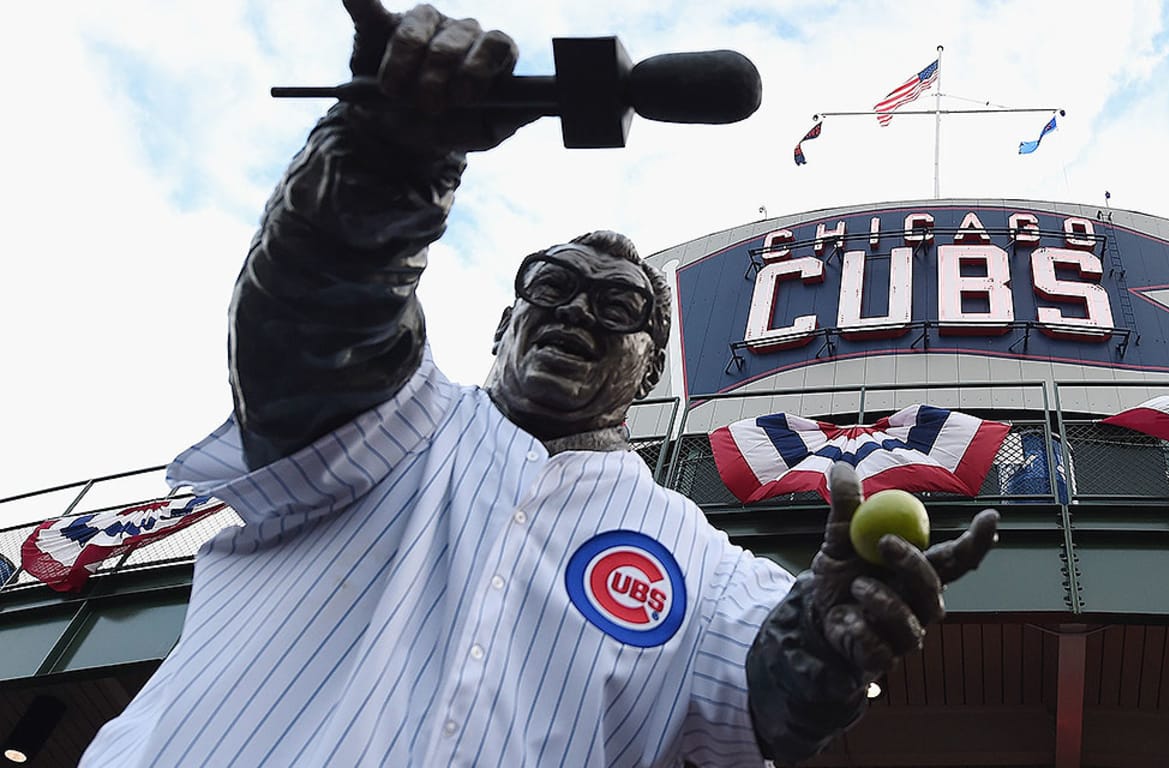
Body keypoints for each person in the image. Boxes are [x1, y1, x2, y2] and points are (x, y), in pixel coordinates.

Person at [80, 2, 999, 766]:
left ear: (649, 370)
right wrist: (387, 155)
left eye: (615, 308)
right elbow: (317, 316)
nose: (573, 313)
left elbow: (768, 695)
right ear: (503, 323)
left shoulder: (708, 569)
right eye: (550, 291)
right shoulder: (396, 427)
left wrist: (820, 649)